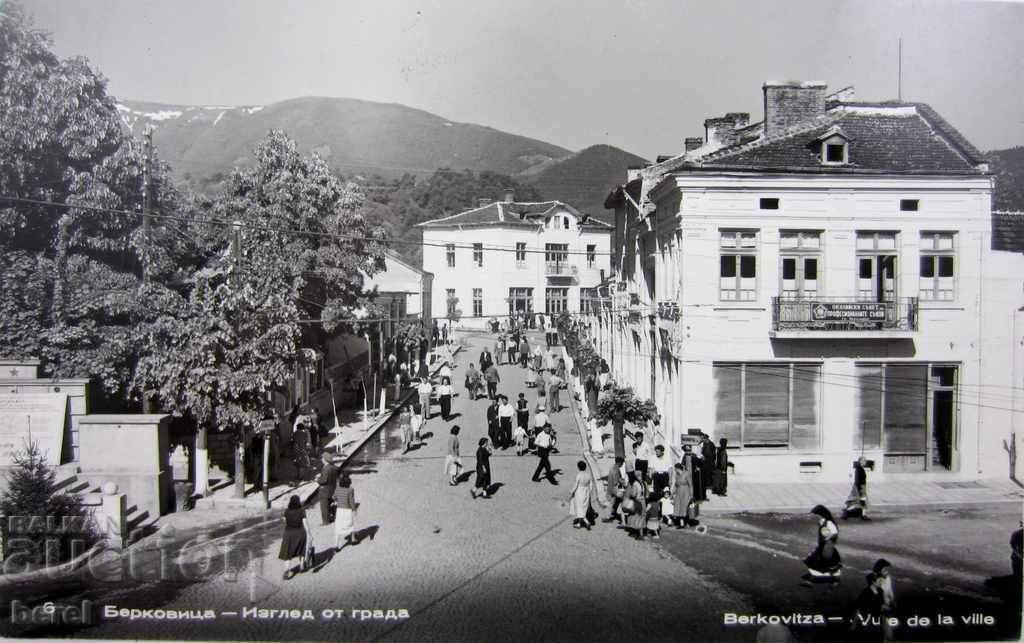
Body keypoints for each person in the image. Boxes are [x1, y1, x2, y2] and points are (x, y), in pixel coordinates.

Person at [803, 505, 842, 585]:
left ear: (821, 514)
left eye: (816, 515)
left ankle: (812, 579)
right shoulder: (822, 521)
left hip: (827, 547)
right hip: (823, 545)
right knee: (820, 562)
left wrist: (827, 539)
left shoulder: (828, 522)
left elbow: (834, 532)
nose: (815, 516)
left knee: (819, 561)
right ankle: (812, 577)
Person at [278, 495, 312, 580]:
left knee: (288, 553)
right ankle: (301, 566)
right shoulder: (302, 511)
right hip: (300, 532)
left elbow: (284, 521)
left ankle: (286, 570)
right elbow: (305, 524)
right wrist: (309, 534)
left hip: (288, 534)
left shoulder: (286, 511)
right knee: (301, 549)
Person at [851, 572, 885, 637]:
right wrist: (854, 623)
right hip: (867, 620)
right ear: (873, 581)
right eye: (879, 581)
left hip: (877, 619)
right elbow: (858, 606)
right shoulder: (865, 592)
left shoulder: (881, 591)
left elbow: (882, 604)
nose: (881, 582)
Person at [873, 559, 896, 639]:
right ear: (879, 570)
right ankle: (886, 637)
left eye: (887, 569)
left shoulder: (887, 578)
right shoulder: (878, 580)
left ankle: (888, 636)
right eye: (884, 569)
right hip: (882, 605)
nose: (887, 571)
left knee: (886, 621)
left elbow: (890, 590)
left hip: (887, 603)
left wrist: (892, 601)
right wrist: (882, 605)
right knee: (884, 622)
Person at [333, 474, 357, 551]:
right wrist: (354, 509)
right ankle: (353, 539)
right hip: (347, 510)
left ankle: (336, 545)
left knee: (338, 527)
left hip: (339, 510)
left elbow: (334, 497)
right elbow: (351, 501)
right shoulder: (350, 490)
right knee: (351, 525)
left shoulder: (337, 488)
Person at [569, 460, 595, 530]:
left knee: (579, 508)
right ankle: (579, 524)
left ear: (578, 467)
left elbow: (575, 485)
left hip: (579, 492)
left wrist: (571, 492)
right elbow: (591, 484)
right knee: (584, 508)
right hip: (586, 492)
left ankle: (586, 522)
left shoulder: (578, 475)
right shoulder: (588, 475)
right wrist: (590, 492)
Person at [317, 452, 340, 525]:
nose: (321, 460)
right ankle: (334, 517)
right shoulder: (334, 467)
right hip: (332, 488)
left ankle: (325, 521)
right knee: (330, 504)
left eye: (322, 458)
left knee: (324, 506)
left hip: (324, 490)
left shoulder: (326, 468)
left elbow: (324, 480)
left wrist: (318, 480)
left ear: (325, 460)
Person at [671, 459, 695, 528]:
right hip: (678, 493)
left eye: (675, 469)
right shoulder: (677, 475)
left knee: (684, 508)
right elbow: (676, 485)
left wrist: (691, 495)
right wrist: (672, 494)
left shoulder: (687, 474)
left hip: (686, 493)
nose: (675, 470)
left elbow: (690, 485)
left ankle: (685, 523)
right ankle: (681, 523)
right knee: (678, 507)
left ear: (678, 468)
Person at [623, 472, 647, 540]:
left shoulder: (635, 484)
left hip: (637, 502)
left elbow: (633, 494)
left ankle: (639, 534)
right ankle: (641, 533)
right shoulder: (643, 483)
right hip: (643, 502)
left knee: (636, 517)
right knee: (642, 517)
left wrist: (629, 493)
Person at [603, 457, 627, 524]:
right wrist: (624, 483)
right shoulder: (616, 470)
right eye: (622, 463)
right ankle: (621, 519)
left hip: (610, 488)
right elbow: (617, 480)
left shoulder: (612, 468)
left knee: (614, 502)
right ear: (619, 462)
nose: (622, 465)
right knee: (621, 501)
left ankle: (611, 514)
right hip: (614, 489)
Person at [699, 433, 716, 501]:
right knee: (706, 475)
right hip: (706, 462)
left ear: (706, 438)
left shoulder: (710, 444)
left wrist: (704, 456)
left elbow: (709, 454)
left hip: (709, 462)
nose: (702, 440)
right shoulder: (705, 444)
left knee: (708, 474)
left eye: (703, 439)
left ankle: (709, 485)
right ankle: (708, 485)